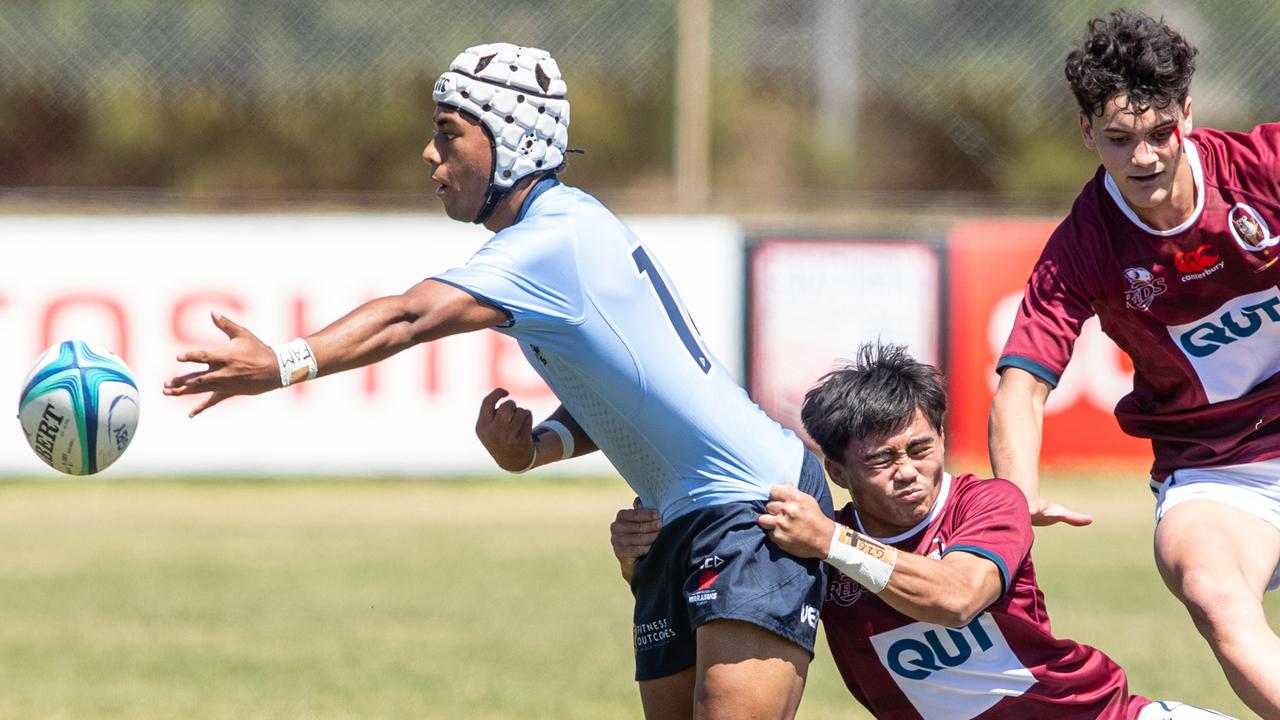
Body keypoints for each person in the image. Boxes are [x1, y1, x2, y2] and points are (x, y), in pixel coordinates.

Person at [163, 42, 832, 720]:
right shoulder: (554, 235)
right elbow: (628, 393)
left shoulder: (550, 242)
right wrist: (537, 448)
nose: (430, 154)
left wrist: (282, 364)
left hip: (755, 502)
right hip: (672, 519)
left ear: (512, 137)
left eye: (449, 133)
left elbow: (407, 316)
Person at [612, 343, 1236, 719]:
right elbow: (723, 605)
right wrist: (646, 561)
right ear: (835, 469)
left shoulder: (989, 503)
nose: (909, 473)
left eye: (922, 448)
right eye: (882, 460)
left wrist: (830, 542)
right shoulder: (812, 538)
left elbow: (956, 597)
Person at [987, 10, 1280, 717]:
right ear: (1087, 131)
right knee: (1214, 594)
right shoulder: (1084, 246)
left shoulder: (1263, 169)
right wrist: (1016, 499)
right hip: (1218, 475)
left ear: (1187, 111)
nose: (1143, 158)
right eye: (1119, 139)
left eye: (1159, 134)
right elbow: (1020, 386)